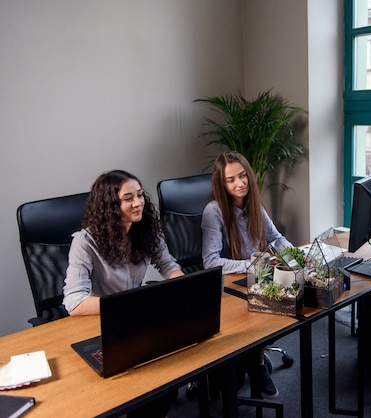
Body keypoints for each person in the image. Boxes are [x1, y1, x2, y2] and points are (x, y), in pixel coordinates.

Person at [63, 169, 183, 417]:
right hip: (99, 327)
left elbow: (168, 265)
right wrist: (127, 305)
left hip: (135, 322)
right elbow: (74, 302)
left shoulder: (145, 229)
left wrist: (182, 288)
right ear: (110, 204)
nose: (138, 203)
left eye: (139, 195)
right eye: (128, 198)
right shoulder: (85, 243)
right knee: (144, 387)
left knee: (169, 381)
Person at [201, 150, 290, 399]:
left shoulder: (254, 204)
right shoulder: (214, 211)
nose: (240, 183)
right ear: (222, 184)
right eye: (231, 180)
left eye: (242, 176)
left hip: (252, 279)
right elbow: (210, 262)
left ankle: (257, 364)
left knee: (277, 302)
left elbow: (277, 238)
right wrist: (252, 264)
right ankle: (256, 365)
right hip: (227, 288)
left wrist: (297, 259)